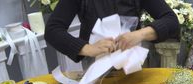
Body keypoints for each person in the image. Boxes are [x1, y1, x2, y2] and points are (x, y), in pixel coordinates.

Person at [44, 0, 179, 63]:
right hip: (95, 66)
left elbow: (171, 21)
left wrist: (140, 34)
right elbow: (52, 30)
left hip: (133, 62)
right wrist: (87, 48)